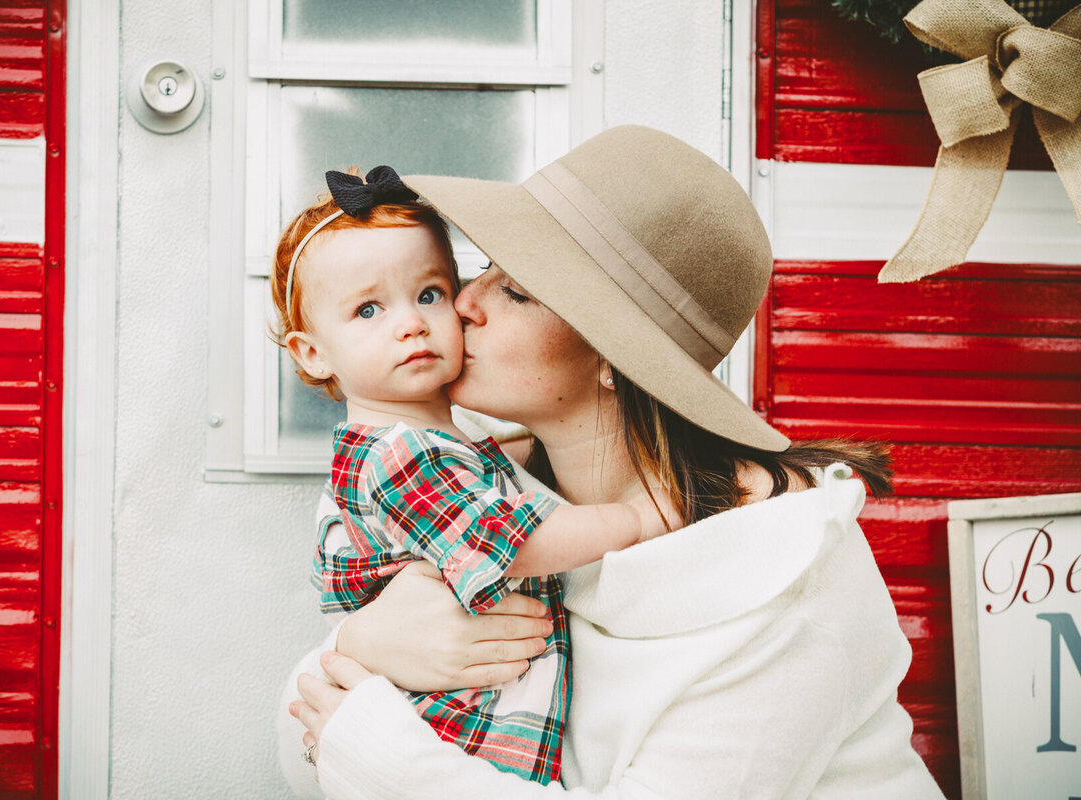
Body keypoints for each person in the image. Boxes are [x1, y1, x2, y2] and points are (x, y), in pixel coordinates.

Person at [279, 126, 947, 799]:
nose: (462, 303)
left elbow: (354, 744)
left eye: (516, 290)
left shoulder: (778, 577)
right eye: (481, 268)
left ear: (612, 358)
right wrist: (362, 644)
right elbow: (303, 735)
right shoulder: (481, 481)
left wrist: (384, 756)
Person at [271, 166, 681, 785]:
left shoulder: (448, 448)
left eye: (429, 292)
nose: (413, 322)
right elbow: (510, 541)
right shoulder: (403, 454)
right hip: (449, 736)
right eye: (368, 309)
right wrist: (633, 519)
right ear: (311, 352)